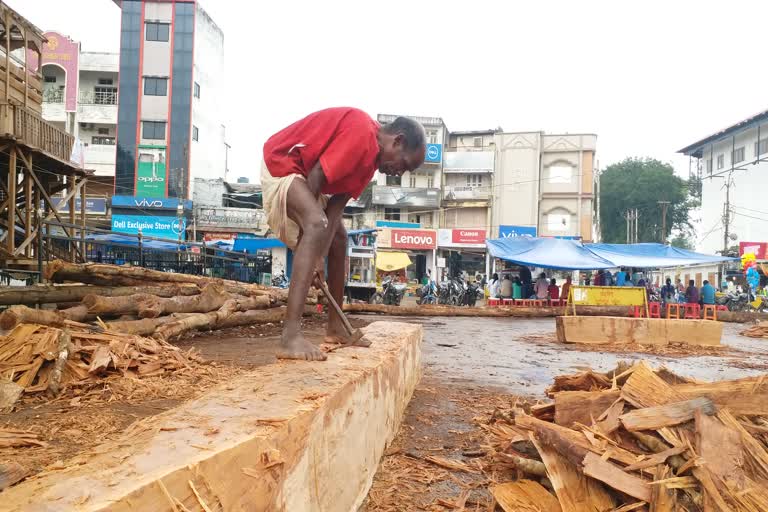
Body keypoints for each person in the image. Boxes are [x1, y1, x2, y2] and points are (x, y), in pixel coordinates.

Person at [262, 108, 426, 360]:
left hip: (305, 177)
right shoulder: (361, 134)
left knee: (339, 237)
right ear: (398, 140)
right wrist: (314, 251)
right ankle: (290, 336)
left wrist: (320, 255)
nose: (399, 173)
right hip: (281, 164)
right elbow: (316, 177)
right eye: (403, 164)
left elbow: (336, 210)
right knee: (316, 223)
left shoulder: (370, 165)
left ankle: (336, 327)